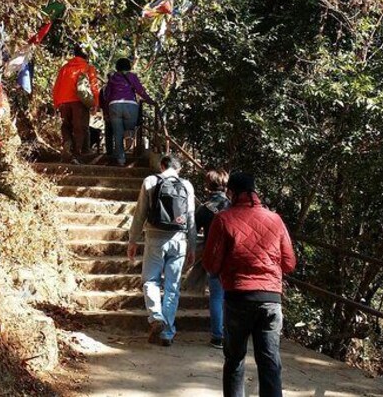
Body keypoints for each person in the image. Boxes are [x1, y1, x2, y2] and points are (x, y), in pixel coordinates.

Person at [203, 172, 297, 397]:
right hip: (270, 299)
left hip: (238, 298)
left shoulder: (223, 219)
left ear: (231, 193)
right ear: (255, 192)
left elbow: (211, 264)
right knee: (270, 362)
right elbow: (290, 263)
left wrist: (228, 269)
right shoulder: (275, 219)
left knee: (235, 360)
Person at [127, 155, 196, 346]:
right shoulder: (187, 186)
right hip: (179, 241)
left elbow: (140, 213)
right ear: (178, 169)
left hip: (155, 239)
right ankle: (167, 333)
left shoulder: (150, 181)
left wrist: (133, 241)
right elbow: (190, 218)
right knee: (172, 286)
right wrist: (192, 246)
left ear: (161, 166)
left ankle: (156, 317)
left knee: (150, 280)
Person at [194, 169, 231, 349]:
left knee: (216, 296)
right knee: (231, 297)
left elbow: (193, 229)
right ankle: (232, 334)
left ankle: (217, 336)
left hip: (214, 256)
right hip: (233, 257)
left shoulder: (205, 207)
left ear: (208, 185)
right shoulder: (234, 206)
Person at [101, 58, 155, 166]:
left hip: (114, 105)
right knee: (130, 126)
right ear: (129, 66)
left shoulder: (112, 78)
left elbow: (106, 95)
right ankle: (129, 135)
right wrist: (150, 101)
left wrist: (106, 111)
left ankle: (121, 159)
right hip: (130, 105)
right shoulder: (132, 76)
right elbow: (140, 91)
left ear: (117, 67)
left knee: (117, 132)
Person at [52, 45, 99, 162]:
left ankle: (67, 142)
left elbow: (56, 86)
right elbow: (94, 87)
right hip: (79, 102)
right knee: (80, 128)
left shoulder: (65, 68)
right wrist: (95, 104)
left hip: (63, 101)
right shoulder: (88, 68)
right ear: (87, 56)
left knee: (66, 125)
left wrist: (56, 103)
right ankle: (77, 153)